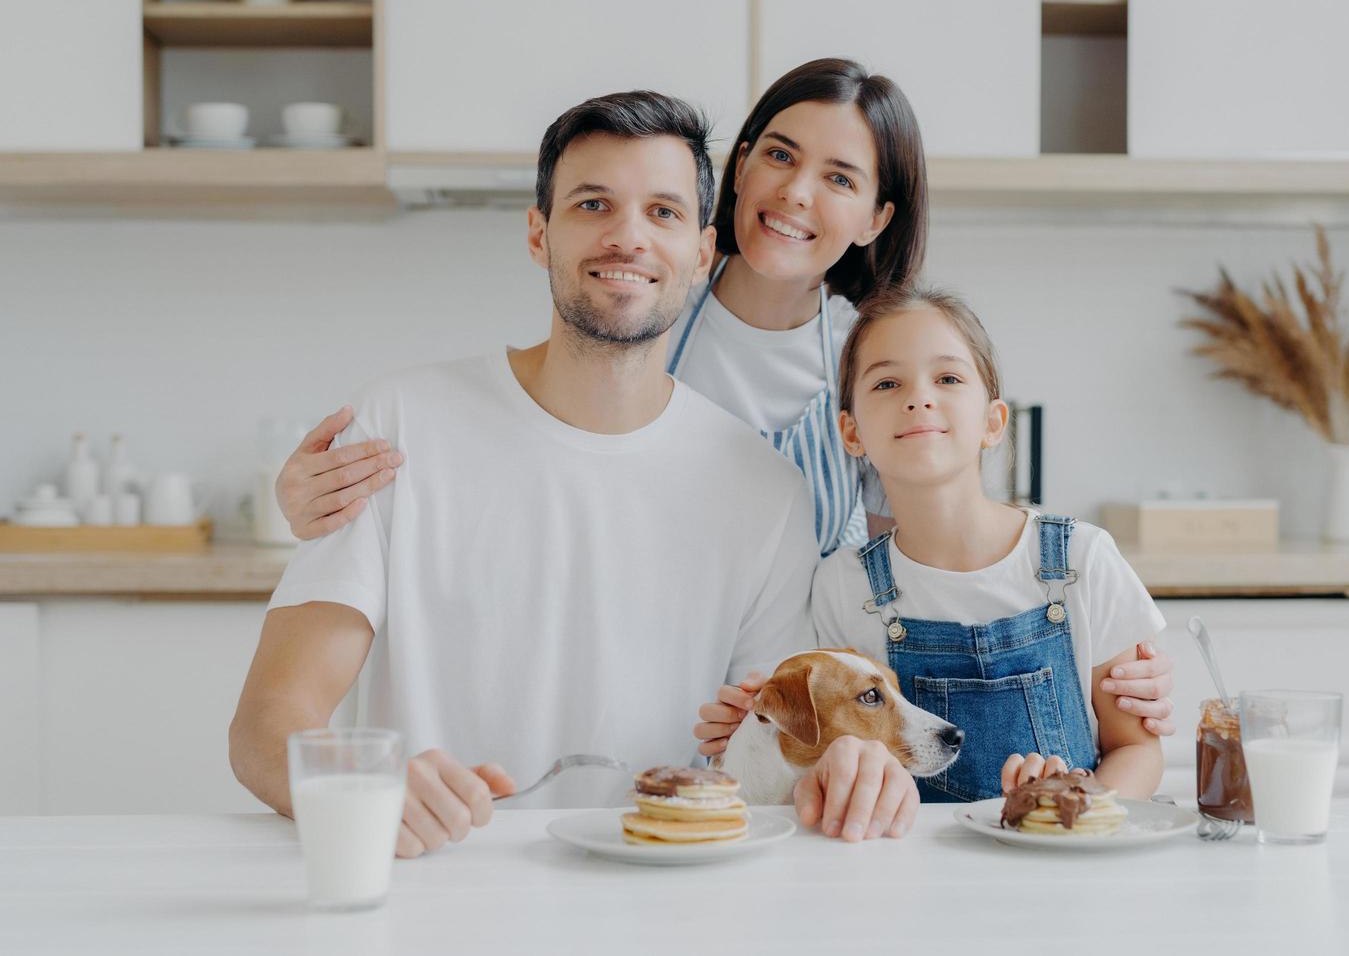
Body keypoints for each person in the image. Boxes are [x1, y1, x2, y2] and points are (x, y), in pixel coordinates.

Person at [273, 58, 1179, 737]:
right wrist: (316, 504)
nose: (794, 192)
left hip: (783, 721)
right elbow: (503, 454)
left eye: (840, 177)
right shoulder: (635, 309)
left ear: (875, 219)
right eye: (779, 156)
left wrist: (1088, 661)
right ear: (737, 172)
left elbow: (951, 561)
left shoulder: (880, 365)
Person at [231, 91, 847, 860]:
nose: (627, 237)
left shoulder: (764, 492)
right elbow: (266, 724)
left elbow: (769, 759)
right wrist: (362, 788)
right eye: (593, 204)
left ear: (701, 250)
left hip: (663, 893)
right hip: (436, 888)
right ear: (538, 232)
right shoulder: (398, 425)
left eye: (663, 212)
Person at [698, 286, 1164, 822]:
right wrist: (751, 728)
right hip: (905, 879)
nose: (919, 397)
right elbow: (822, 756)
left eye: (947, 378)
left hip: (1065, 871)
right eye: (888, 382)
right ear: (851, 432)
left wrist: (1079, 807)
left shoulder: (1082, 559)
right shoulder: (842, 585)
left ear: (993, 421)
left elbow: (1137, 749)